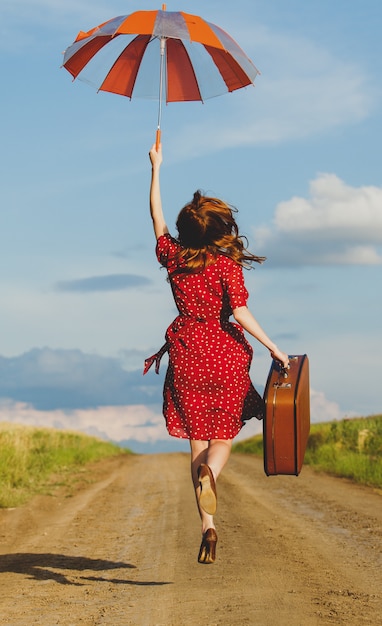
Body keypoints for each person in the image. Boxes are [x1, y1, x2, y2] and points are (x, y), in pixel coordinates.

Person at [145, 143, 289, 564]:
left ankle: (208, 527)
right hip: (225, 354)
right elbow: (240, 312)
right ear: (217, 231)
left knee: (196, 446)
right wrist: (274, 347)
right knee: (221, 440)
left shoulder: (173, 257)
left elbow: (154, 217)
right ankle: (215, 473)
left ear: (185, 231)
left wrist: (155, 168)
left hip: (187, 352)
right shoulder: (225, 265)